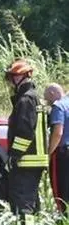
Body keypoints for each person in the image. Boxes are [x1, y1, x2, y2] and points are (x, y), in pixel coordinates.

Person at [4, 59, 48, 220]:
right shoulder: (35, 98)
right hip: (34, 159)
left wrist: (15, 155)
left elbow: (24, 132)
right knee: (31, 199)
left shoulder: (25, 100)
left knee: (22, 201)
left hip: (27, 159)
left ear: (24, 77)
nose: (12, 81)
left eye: (15, 77)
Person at [44, 83, 69, 215]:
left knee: (60, 191)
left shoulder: (58, 107)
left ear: (53, 94)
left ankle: (62, 218)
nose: (47, 102)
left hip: (63, 154)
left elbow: (58, 132)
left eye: (47, 99)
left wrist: (49, 152)